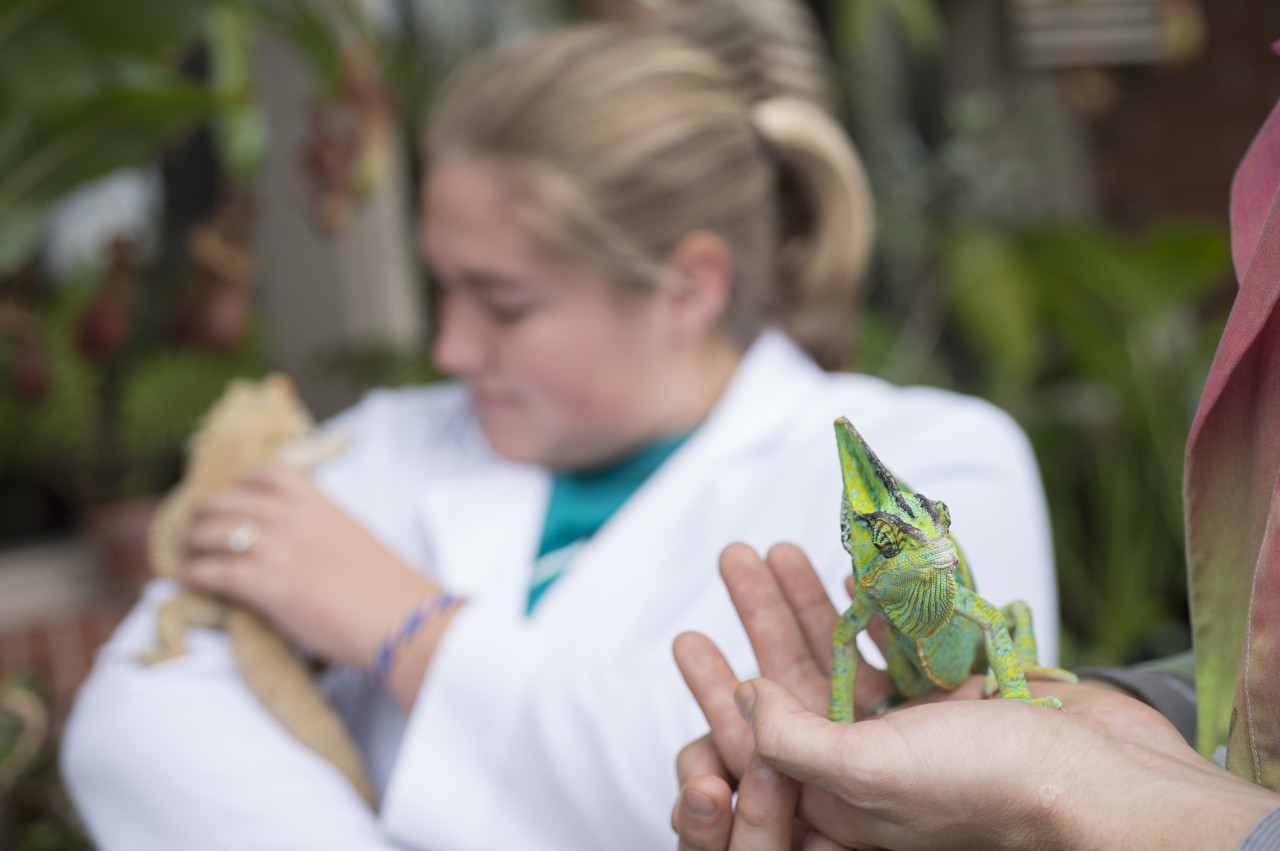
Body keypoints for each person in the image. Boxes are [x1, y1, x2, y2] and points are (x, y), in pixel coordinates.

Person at [59, 5, 1060, 851]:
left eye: (502, 301)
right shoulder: (392, 439)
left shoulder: (938, 465)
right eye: (440, 287)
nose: (447, 345)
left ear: (686, 286)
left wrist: (398, 621)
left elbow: (810, 785)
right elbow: (139, 716)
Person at [671, 41, 1280, 851]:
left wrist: (1061, 757)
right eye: (878, 534)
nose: (919, 539)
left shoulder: (941, 556)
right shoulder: (874, 592)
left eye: (927, 522)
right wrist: (1132, 717)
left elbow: (1001, 617)